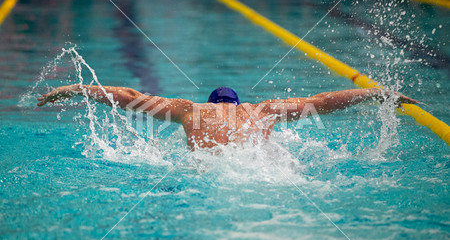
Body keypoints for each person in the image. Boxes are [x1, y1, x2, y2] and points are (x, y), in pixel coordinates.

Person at [37, 85, 418, 150]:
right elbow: (323, 101)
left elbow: (128, 98)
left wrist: (72, 90)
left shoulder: (189, 111)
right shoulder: (263, 111)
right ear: (238, 105)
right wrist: (375, 94)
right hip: (263, 172)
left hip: (212, 175)